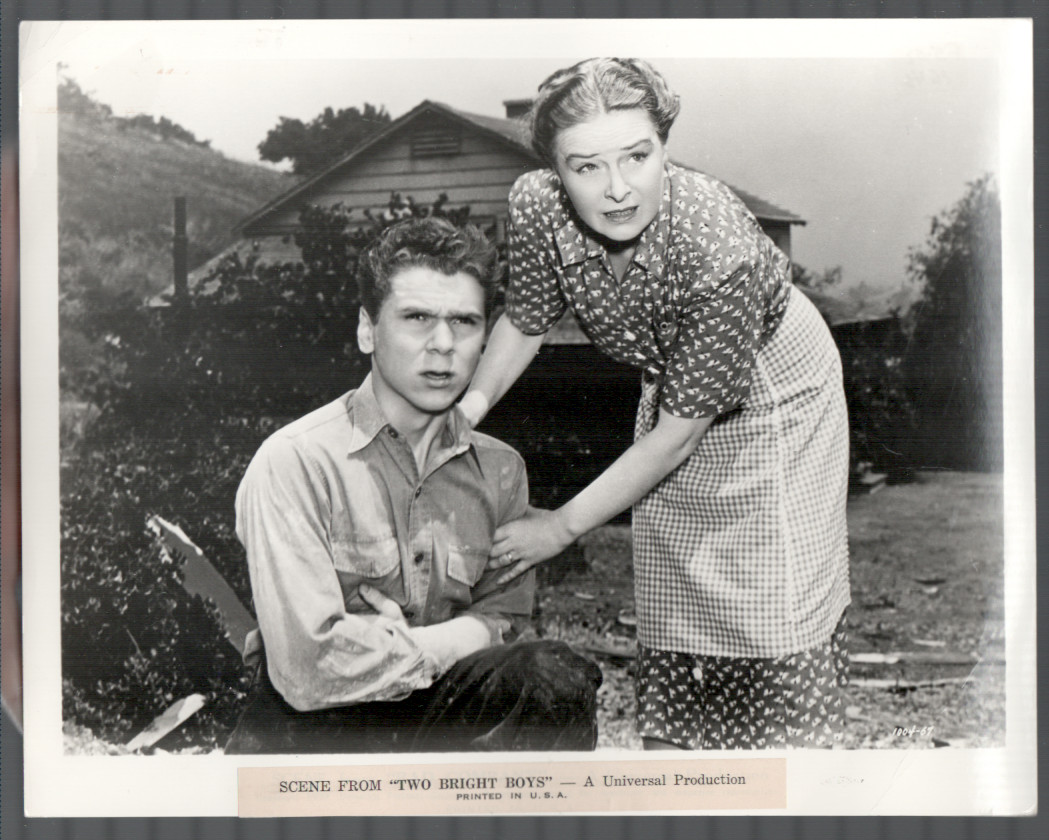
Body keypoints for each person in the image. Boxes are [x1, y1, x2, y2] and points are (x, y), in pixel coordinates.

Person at [459, 58, 850, 750]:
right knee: (676, 570)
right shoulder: (536, 206)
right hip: (673, 382)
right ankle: (680, 760)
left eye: (636, 157)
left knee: (766, 586)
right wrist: (466, 412)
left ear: (663, 146)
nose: (617, 189)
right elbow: (524, 319)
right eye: (585, 167)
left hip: (777, 388)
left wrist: (559, 528)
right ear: (554, 170)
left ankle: (782, 756)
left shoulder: (716, 247)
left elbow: (673, 440)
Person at [224, 217, 601, 754]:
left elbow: (504, 624)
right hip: (311, 735)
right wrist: (443, 640)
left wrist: (389, 642)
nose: (443, 344)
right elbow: (309, 671)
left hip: (433, 717)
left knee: (550, 677)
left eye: (464, 322)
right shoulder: (297, 461)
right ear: (367, 330)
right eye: (417, 318)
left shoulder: (500, 471)